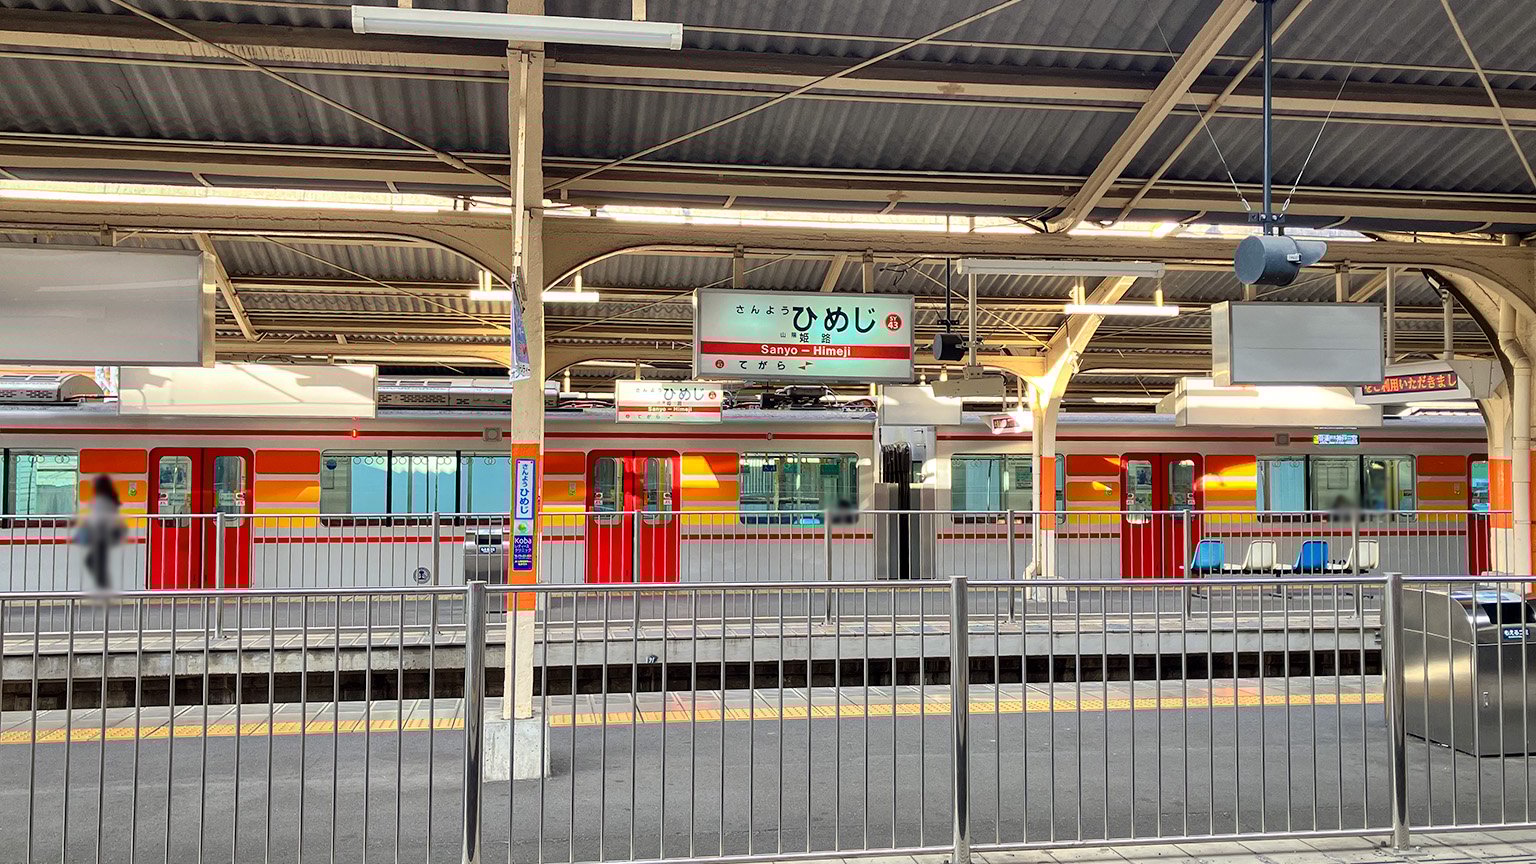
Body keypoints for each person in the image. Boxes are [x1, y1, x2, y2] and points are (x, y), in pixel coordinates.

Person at [78, 475, 125, 591]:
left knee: (92, 561)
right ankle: (104, 588)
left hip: (99, 535)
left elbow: (96, 518)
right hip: (107, 535)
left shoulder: (101, 501)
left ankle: (103, 589)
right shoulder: (111, 499)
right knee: (99, 563)